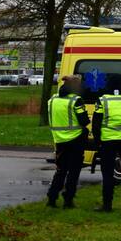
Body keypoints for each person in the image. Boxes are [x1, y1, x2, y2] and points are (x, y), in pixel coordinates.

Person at [46, 75, 89, 209]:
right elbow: (84, 121)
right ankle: (68, 200)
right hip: (75, 139)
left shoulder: (52, 100)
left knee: (60, 170)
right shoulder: (76, 101)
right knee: (73, 171)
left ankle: (52, 198)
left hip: (59, 140)